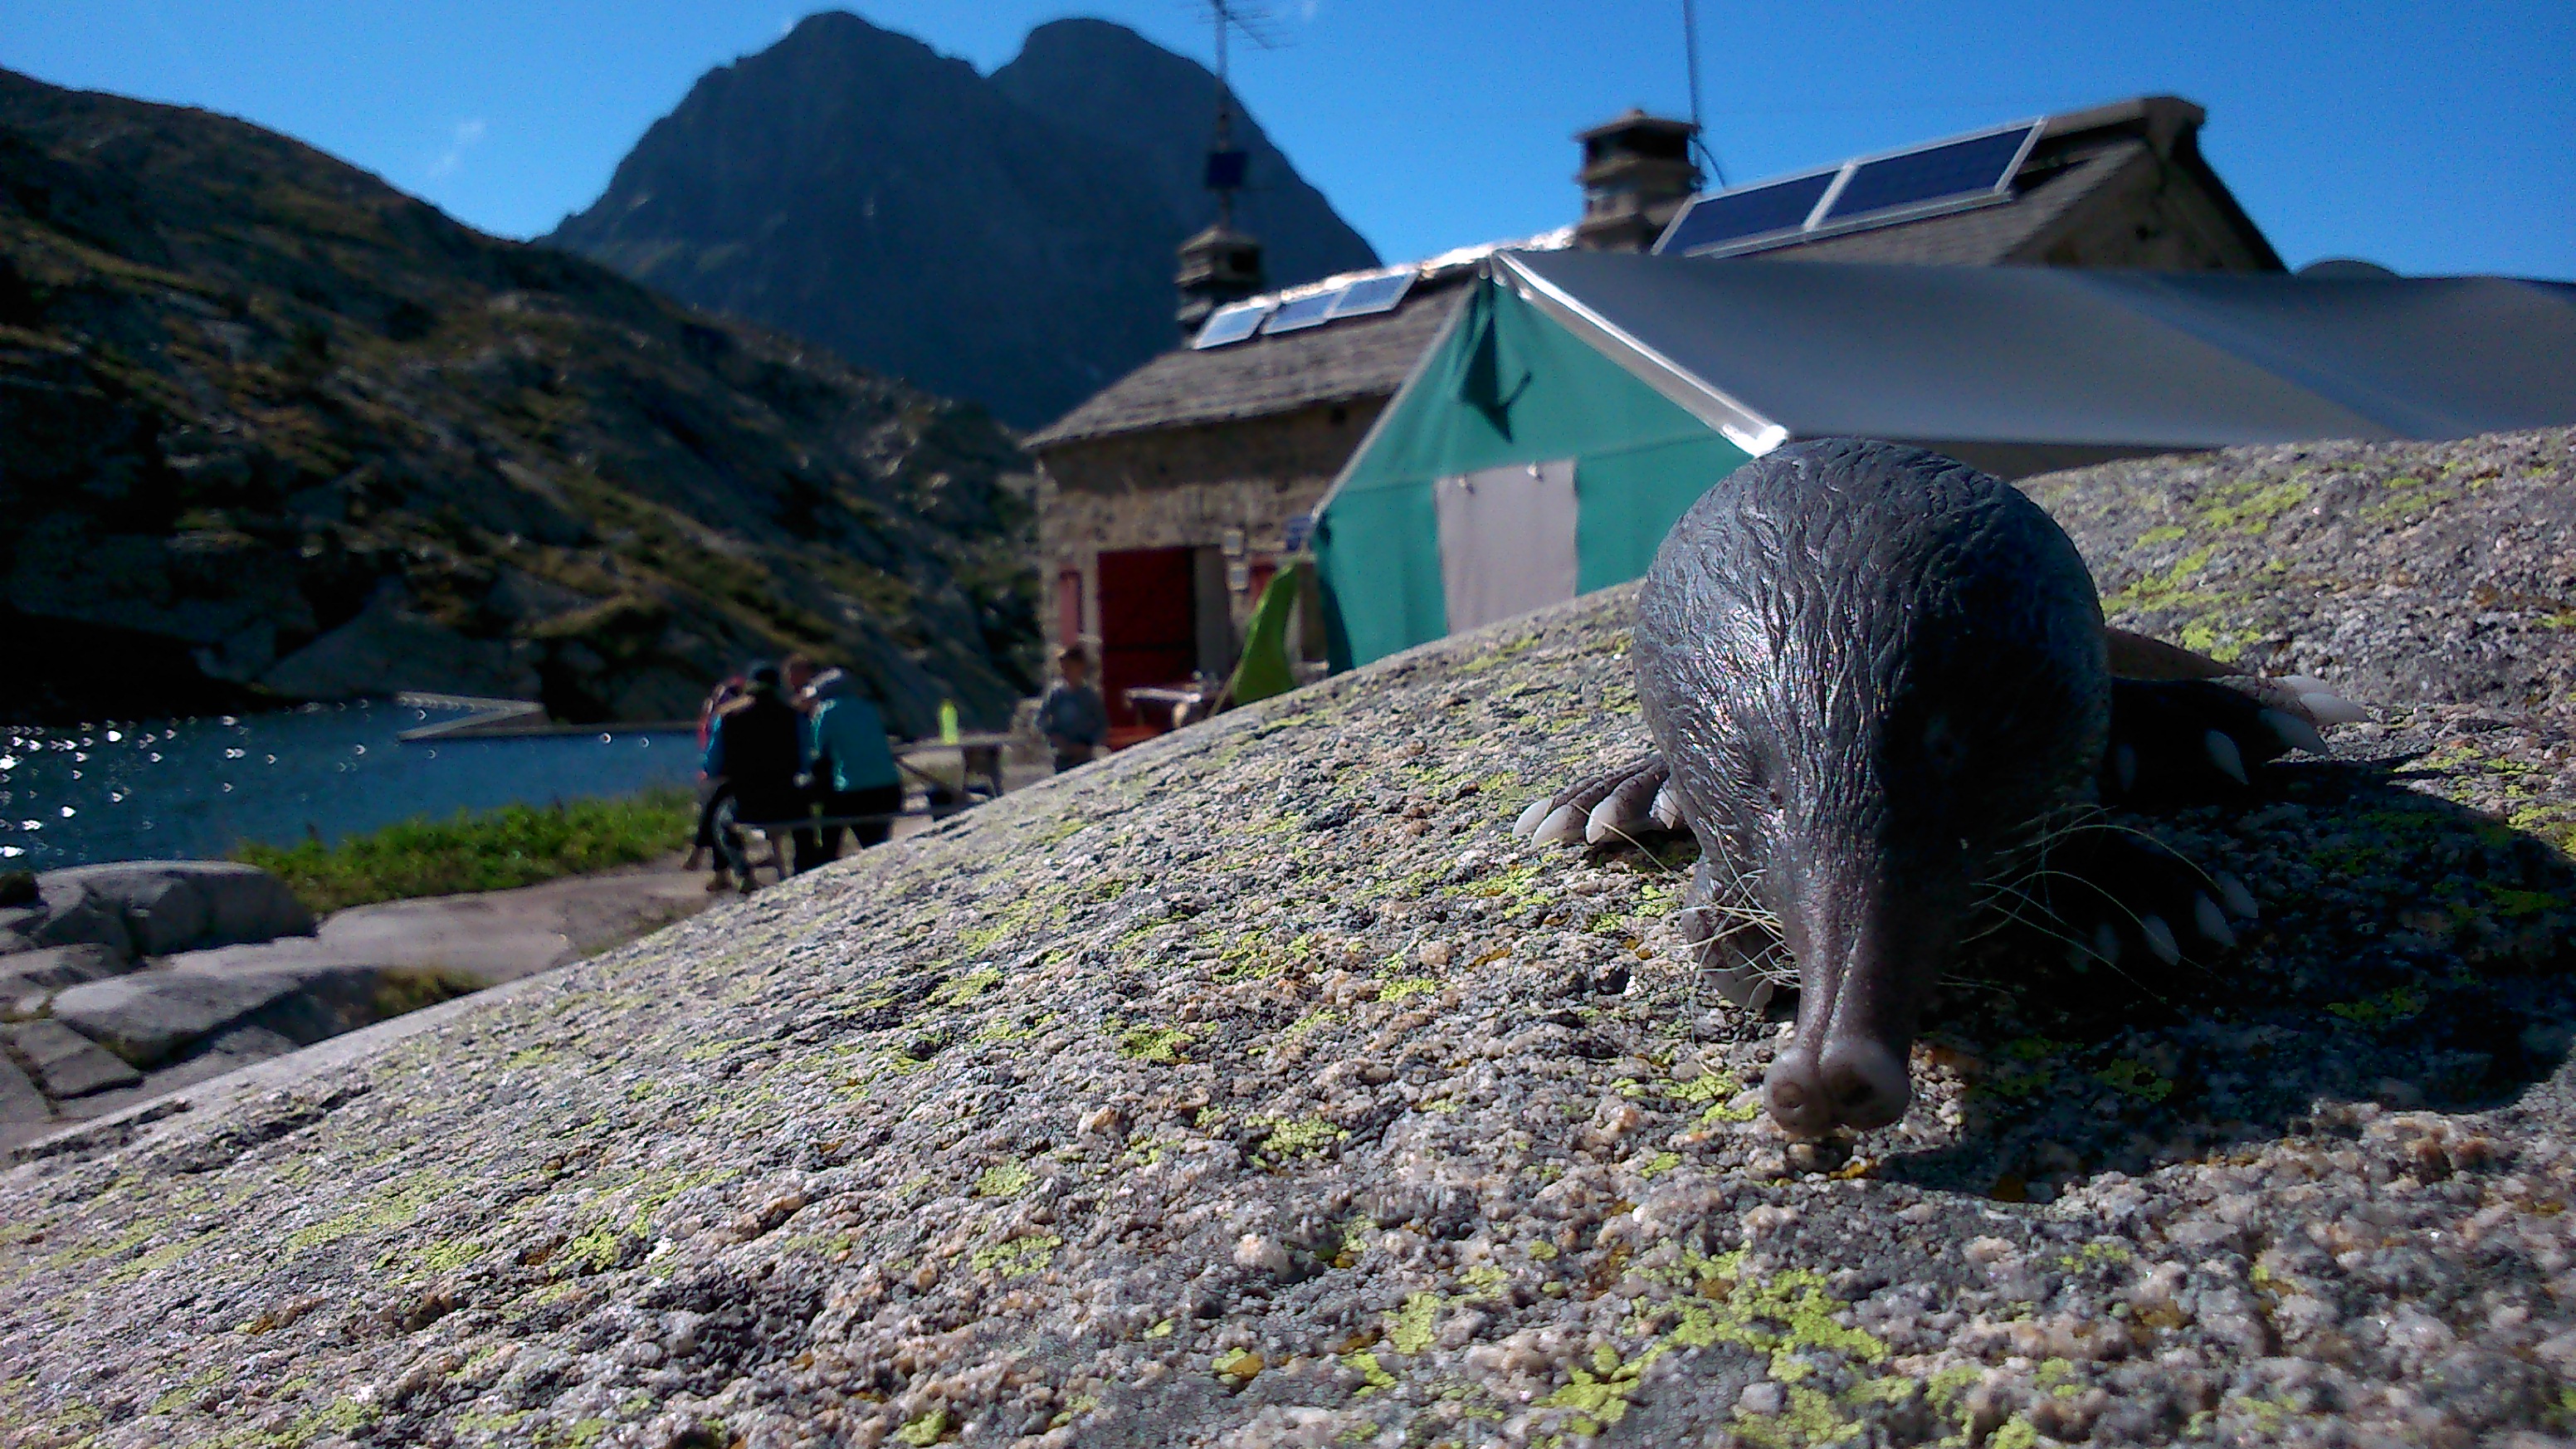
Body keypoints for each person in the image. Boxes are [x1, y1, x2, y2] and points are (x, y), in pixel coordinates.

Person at [703, 662, 810, 890]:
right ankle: (805, 867)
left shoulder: (728, 717)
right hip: (786, 801)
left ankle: (742, 871)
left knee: (721, 820)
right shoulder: (792, 716)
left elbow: (712, 765)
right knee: (804, 815)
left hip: (747, 802)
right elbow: (805, 761)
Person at [801, 667, 905, 869]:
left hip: (855, 792)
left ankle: (826, 860)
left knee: (830, 822)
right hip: (890, 787)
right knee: (877, 841)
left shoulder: (827, 712)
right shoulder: (868, 707)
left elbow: (818, 750)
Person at [685, 671, 748, 879]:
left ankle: (707, 859)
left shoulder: (728, 720)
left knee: (715, 802)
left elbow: (712, 759)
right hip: (742, 784)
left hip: (734, 785)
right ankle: (717, 868)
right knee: (716, 802)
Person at [1037, 646, 1107, 774]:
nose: (1065, 671)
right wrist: (1054, 737)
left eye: (1069, 667)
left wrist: (1088, 744)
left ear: (1080, 667)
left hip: (1084, 756)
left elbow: (1101, 725)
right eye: (1063, 667)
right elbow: (1041, 720)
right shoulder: (1056, 695)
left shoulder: (1089, 696)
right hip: (1062, 756)